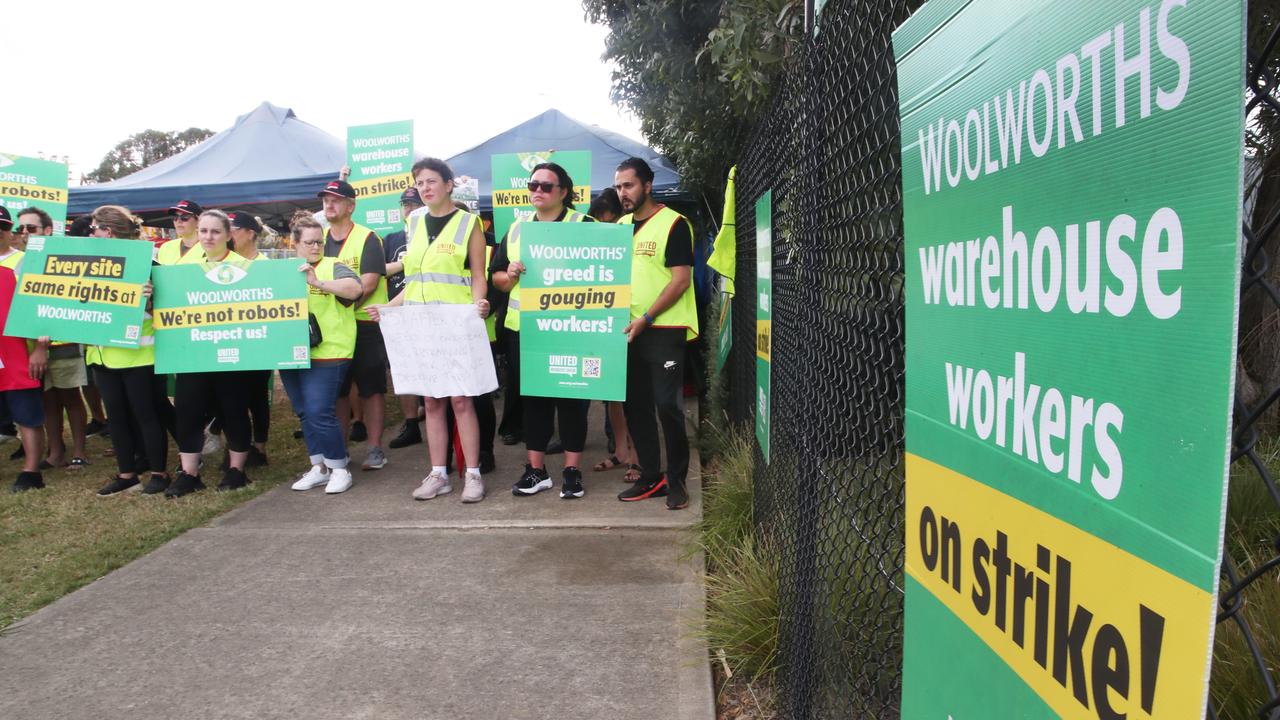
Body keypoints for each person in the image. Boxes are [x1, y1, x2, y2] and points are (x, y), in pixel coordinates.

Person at [367, 158, 490, 503]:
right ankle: (439, 474)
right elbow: (415, 278)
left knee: (461, 399)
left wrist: (479, 306)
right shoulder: (415, 220)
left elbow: (478, 275)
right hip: (420, 322)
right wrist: (390, 308)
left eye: (432, 181)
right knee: (432, 401)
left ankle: (473, 475)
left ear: (449, 184)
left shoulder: (469, 224)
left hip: (455, 321)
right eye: (420, 182)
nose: (425, 187)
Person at [490, 163, 593, 499]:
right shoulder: (517, 231)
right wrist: (511, 275)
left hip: (572, 329)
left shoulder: (585, 225)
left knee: (573, 401)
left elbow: (606, 271)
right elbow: (498, 280)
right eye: (532, 184)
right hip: (527, 331)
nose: (537, 190)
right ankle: (536, 471)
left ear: (564, 191)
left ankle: (572, 472)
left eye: (546, 186)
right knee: (534, 400)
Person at [613, 158, 698, 510]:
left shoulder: (674, 223)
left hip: (663, 329)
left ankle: (677, 480)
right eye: (618, 187)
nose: (622, 193)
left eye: (628, 185)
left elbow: (681, 281)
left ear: (647, 185)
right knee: (636, 408)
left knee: (667, 406)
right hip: (625, 331)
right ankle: (652, 477)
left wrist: (646, 317)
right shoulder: (617, 227)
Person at [84, 206, 176, 496]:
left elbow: (172, 305)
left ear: (108, 232)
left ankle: (159, 473)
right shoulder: (89, 261)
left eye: (95, 228)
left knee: (146, 415)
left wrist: (152, 298)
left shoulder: (147, 261)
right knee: (117, 417)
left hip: (139, 354)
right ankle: (127, 475)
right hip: (101, 353)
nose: (91, 233)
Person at [167, 210, 254, 497]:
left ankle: (236, 470)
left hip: (233, 353)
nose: (208, 237)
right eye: (203, 231)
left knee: (233, 410)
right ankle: (190, 473)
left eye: (215, 231)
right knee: (188, 411)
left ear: (228, 235)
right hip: (195, 353)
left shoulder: (246, 266)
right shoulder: (186, 266)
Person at [283, 214, 363, 494]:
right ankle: (319, 467)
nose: (316, 247)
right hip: (291, 352)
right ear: (294, 243)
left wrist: (317, 282)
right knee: (305, 412)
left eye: (320, 242)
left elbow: (355, 289)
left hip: (330, 352)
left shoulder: (334, 266)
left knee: (319, 411)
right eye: (309, 242)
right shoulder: (282, 271)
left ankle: (339, 468)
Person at [317, 180, 389, 472]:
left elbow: (369, 284)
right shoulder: (318, 239)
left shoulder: (368, 237)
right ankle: (340, 450)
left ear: (351, 205)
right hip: (330, 329)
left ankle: (374, 448)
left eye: (336, 200)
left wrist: (342, 310)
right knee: (337, 391)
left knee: (371, 389)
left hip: (363, 324)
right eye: (326, 200)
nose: (329, 205)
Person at [16, 208, 90, 471]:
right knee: (47, 399)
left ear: (48, 230)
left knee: (70, 396)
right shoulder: (21, 263)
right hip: (32, 346)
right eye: (20, 229)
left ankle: (80, 451)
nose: (24, 233)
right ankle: (56, 452)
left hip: (64, 342)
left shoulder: (66, 258)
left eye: (31, 228)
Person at [585, 189, 641, 482]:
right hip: (604, 322)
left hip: (631, 323)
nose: (605, 229)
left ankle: (637, 457)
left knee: (633, 396)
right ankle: (621, 452)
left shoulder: (634, 240)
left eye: (608, 222)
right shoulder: (599, 241)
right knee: (611, 395)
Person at [0, 206, 48, 492]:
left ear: (7, 232)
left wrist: (40, 348)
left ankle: (31, 471)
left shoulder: (25, 262)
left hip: (18, 352)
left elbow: (42, 309)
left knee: (27, 414)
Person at [228, 212, 272, 467]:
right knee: (233, 397)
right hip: (231, 339)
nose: (230, 234)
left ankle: (260, 447)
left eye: (234, 229)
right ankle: (236, 445)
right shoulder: (224, 264)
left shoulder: (265, 265)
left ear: (250, 232)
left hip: (258, 341)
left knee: (257, 397)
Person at [384, 187, 425, 450]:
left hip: (427, 310)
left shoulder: (431, 235)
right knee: (401, 370)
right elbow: (379, 270)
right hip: (398, 313)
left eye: (413, 203)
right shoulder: (390, 239)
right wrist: (405, 263)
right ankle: (411, 424)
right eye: (404, 204)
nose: (408, 208)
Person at [156, 199, 204, 265]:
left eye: (184, 217)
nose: (178, 221)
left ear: (199, 221)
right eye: (175, 217)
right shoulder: (166, 247)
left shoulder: (211, 247)